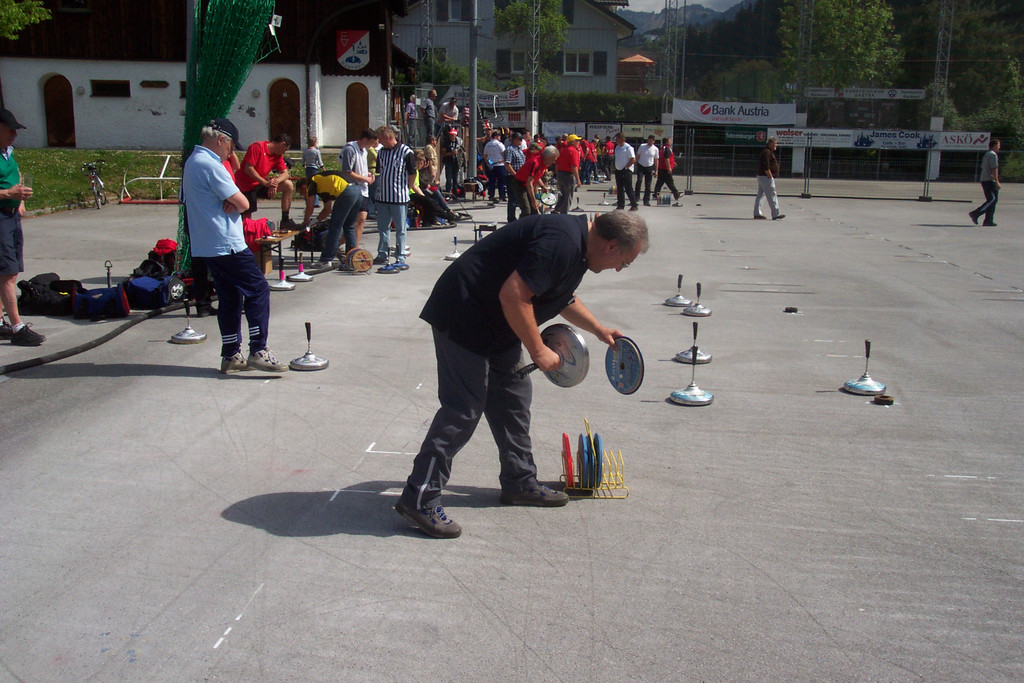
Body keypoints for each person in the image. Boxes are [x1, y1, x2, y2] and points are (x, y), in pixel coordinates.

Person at [394, 210, 650, 538]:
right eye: (623, 262)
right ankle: (419, 496)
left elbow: (561, 296)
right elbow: (514, 294)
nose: (618, 269)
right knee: (463, 409)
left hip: (498, 322)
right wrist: (538, 349)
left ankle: (519, 481)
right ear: (611, 246)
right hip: (464, 314)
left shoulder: (579, 250)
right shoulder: (562, 241)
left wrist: (598, 329)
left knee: (513, 399)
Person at [182, 118, 287, 374]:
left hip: (207, 244)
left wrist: (233, 199)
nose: (231, 153)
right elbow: (244, 203)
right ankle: (258, 349)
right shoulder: (211, 164)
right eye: (230, 147)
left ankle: (230, 354)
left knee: (230, 296)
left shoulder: (192, 161)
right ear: (221, 140)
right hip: (226, 242)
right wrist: (236, 201)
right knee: (258, 290)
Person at [0, 108, 44, 346]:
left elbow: (16, 173)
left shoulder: (8, 152)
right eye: (10, 130)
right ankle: (17, 327)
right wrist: (9, 193)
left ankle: (0, 322)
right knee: (6, 273)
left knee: (9, 271)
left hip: (11, 216)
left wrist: (20, 201)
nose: (14, 135)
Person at [294, 170, 363, 270]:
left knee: (334, 228)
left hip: (346, 193)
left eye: (301, 193)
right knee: (349, 226)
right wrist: (314, 221)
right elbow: (327, 210)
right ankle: (351, 259)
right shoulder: (323, 186)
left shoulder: (312, 182)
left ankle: (326, 260)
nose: (304, 196)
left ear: (304, 187)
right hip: (357, 191)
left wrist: (305, 221)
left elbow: (310, 206)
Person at [372, 125, 416, 272]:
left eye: (380, 139)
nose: (379, 142)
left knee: (400, 229)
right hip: (383, 196)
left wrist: (408, 187)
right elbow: (379, 171)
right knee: (383, 228)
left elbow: (412, 173)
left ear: (387, 138)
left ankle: (400, 255)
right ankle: (382, 253)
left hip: (399, 197)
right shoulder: (381, 152)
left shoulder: (406, 152)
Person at [235, 133, 298, 229]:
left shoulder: (277, 155)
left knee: (288, 185)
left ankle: (285, 220)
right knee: (247, 216)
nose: (284, 152)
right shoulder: (257, 147)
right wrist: (264, 183)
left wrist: (275, 183)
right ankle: (245, 232)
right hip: (244, 185)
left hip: (259, 184)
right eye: (285, 149)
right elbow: (248, 169)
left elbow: (285, 174)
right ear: (282, 144)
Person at [339, 128, 378, 256]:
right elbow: (347, 171)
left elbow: (361, 169)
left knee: (362, 219)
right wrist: (365, 179)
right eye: (371, 143)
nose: (372, 146)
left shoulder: (364, 151)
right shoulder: (350, 149)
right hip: (352, 189)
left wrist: (368, 175)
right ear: (365, 139)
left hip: (363, 189)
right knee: (351, 221)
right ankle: (340, 245)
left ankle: (354, 248)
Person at [507, 145, 558, 218]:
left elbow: (537, 177)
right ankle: (521, 224)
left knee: (534, 209)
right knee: (526, 210)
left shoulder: (544, 164)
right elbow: (530, 183)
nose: (554, 162)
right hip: (519, 184)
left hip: (527, 184)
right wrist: (533, 200)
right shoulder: (536, 163)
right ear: (547, 157)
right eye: (553, 159)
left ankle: (532, 224)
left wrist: (543, 186)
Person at [969, 138, 1001, 226]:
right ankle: (975, 213)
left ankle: (988, 220)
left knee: (992, 200)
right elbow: (994, 168)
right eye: (998, 145)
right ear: (994, 145)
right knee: (992, 199)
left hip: (984, 179)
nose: (999, 147)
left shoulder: (987, 154)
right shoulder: (993, 155)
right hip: (989, 180)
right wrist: (997, 181)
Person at [754, 136, 784, 220]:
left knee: (760, 195)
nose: (776, 145)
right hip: (766, 177)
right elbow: (766, 165)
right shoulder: (767, 153)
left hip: (762, 177)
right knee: (772, 194)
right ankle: (776, 214)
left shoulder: (767, 152)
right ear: (770, 143)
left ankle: (757, 213)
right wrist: (770, 176)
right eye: (775, 143)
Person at [554, 134, 582, 214]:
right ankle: (564, 214)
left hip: (560, 173)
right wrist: (578, 180)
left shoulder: (562, 150)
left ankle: (556, 210)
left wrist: (557, 175)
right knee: (568, 196)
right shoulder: (573, 151)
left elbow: (557, 164)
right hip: (568, 175)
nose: (578, 143)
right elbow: (574, 166)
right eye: (577, 141)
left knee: (563, 194)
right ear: (572, 142)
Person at [503, 131, 527, 223]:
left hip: (519, 177)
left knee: (518, 197)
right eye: (519, 139)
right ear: (514, 140)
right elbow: (507, 164)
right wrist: (515, 174)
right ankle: (511, 218)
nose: (521, 141)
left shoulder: (519, 149)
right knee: (512, 198)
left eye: (522, 139)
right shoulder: (510, 149)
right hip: (512, 177)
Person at [613, 132, 639, 211]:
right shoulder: (617, 147)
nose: (616, 140)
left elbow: (633, 159)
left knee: (628, 188)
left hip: (626, 171)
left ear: (621, 139)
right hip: (618, 170)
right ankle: (621, 205)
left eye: (617, 139)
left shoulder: (628, 148)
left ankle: (634, 205)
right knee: (619, 188)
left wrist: (626, 167)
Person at [653, 138, 683, 206]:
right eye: (670, 141)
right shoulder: (667, 148)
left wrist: (673, 162)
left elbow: (665, 158)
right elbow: (666, 158)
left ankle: (655, 194)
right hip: (665, 169)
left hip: (661, 168)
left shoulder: (662, 149)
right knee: (670, 182)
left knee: (660, 182)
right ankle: (676, 194)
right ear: (667, 142)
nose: (671, 142)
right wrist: (669, 167)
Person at [301, 136, 324, 215]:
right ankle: (315, 202)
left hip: (308, 168)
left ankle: (308, 200)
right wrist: (323, 168)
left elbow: (303, 161)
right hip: (314, 168)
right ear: (315, 143)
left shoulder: (305, 151)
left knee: (309, 185)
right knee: (315, 185)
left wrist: (304, 165)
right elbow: (320, 161)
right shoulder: (316, 151)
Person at [634, 134, 658, 206]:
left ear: (653, 141)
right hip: (641, 165)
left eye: (651, 141)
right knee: (639, 180)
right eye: (648, 141)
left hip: (649, 167)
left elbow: (656, 160)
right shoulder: (642, 146)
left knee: (648, 184)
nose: (649, 142)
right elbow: (637, 155)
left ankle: (646, 200)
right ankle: (636, 197)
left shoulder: (655, 149)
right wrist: (635, 164)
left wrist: (656, 170)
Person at [482, 130, 507, 202]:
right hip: (500, 164)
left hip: (491, 165)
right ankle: (502, 196)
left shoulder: (488, 145)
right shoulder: (500, 144)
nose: (500, 137)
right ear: (496, 136)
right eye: (499, 136)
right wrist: (503, 160)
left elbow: (485, 155)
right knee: (501, 182)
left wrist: (487, 163)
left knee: (491, 181)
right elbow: (504, 154)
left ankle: (491, 196)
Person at [440, 127, 462, 195]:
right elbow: (443, 153)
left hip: (456, 163)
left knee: (455, 179)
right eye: (450, 135)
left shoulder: (458, 142)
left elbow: (461, 152)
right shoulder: (446, 142)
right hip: (449, 162)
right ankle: (448, 193)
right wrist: (451, 153)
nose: (451, 136)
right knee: (448, 179)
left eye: (453, 135)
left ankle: (455, 194)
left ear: (455, 135)